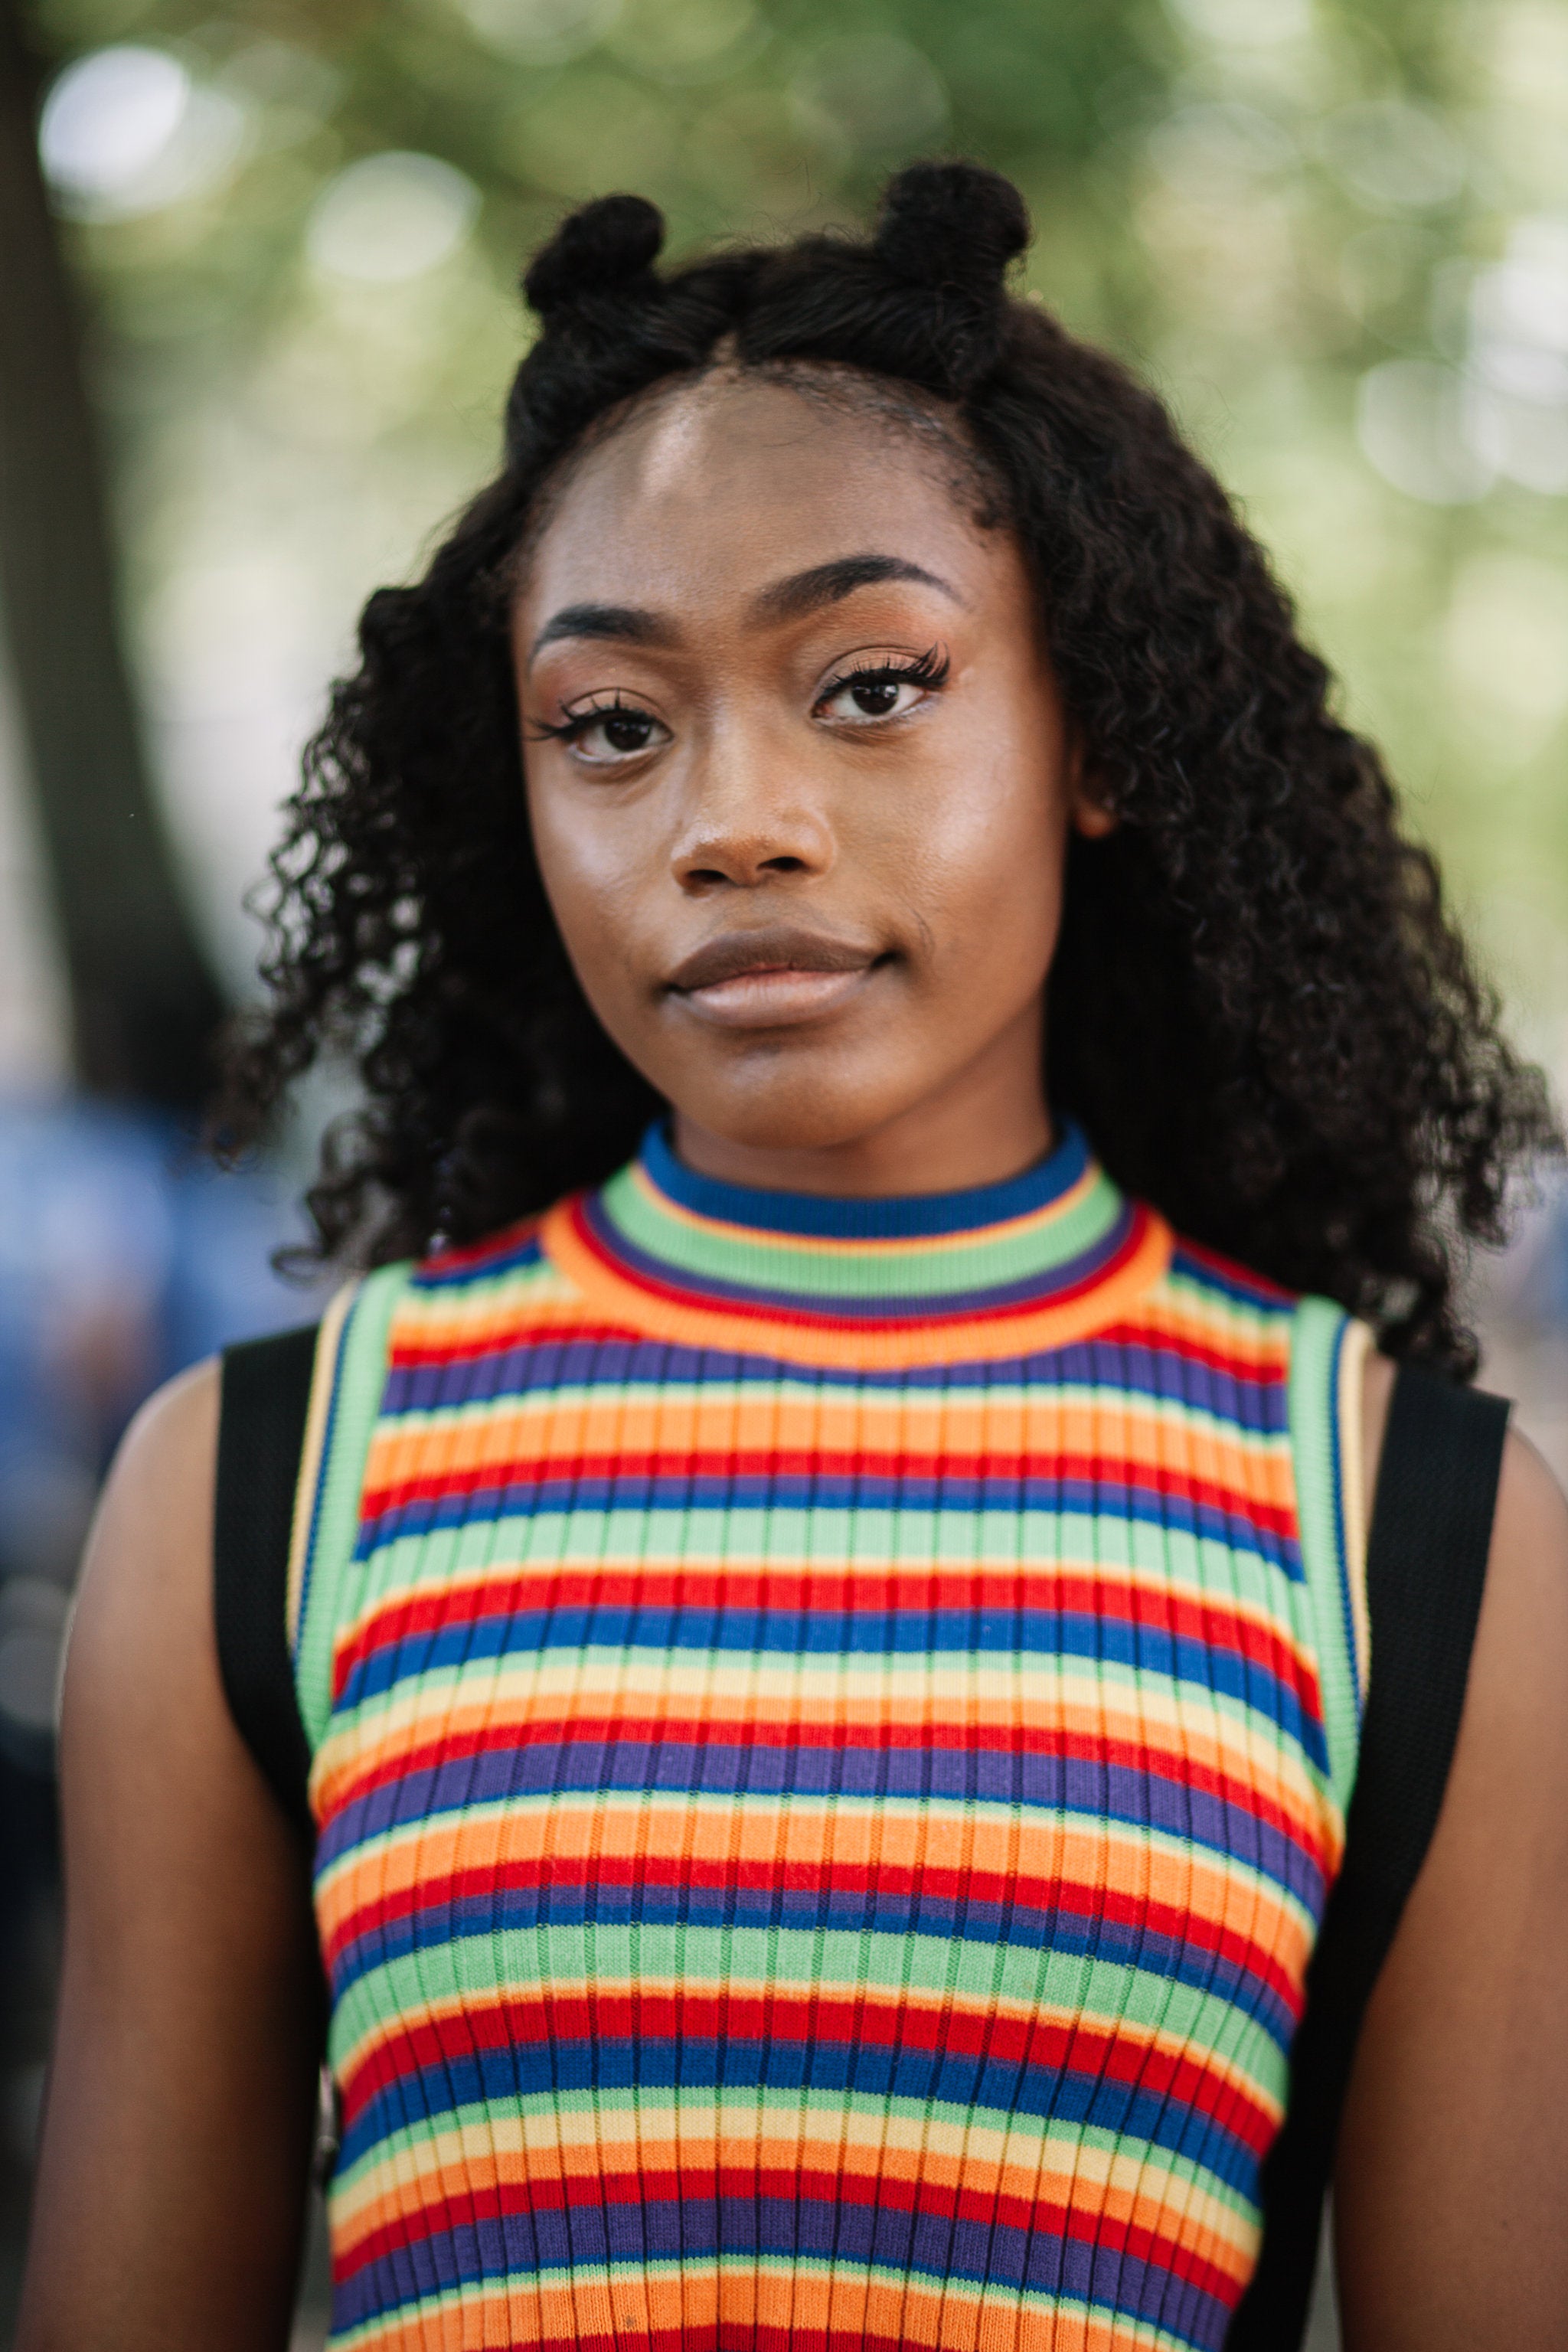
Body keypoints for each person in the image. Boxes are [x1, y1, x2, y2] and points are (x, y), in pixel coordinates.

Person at [16, 162, 1568, 2352]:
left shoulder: (1411, 1525)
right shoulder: (260, 1490)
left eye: (872, 685)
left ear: (1096, 732)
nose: (732, 820)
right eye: (612, 725)